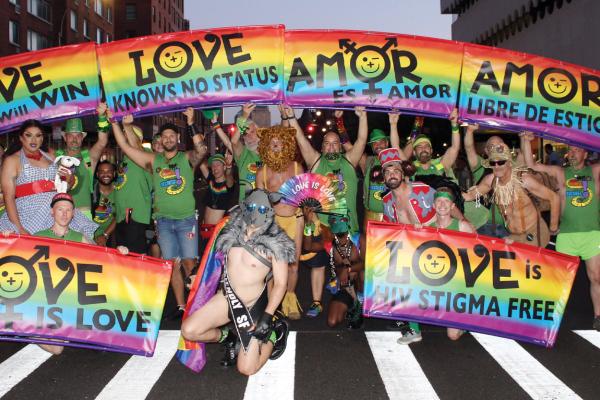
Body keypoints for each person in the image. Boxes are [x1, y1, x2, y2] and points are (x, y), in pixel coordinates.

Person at [181, 189, 294, 375]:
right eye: (251, 207)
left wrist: (267, 316)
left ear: (269, 211)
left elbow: (281, 284)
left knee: (246, 368)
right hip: (226, 299)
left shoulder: (277, 242)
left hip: (253, 307)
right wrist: (196, 276)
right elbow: (212, 263)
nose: (255, 211)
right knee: (189, 330)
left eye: (261, 208)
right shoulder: (229, 233)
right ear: (243, 207)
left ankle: (275, 333)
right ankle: (228, 337)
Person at [110, 113, 208, 319]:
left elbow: (202, 150)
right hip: (163, 221)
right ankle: (182, 307)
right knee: (172, 264)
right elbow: (127, 147)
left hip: (186, 220)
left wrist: (191, 123)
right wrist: (115, 123)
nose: (169, 139)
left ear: (178, 139)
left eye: (172, 135)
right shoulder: (154, 161)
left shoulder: (186, 159)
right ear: (160, 141)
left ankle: (197, 305)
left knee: (190, 263)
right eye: (165, 136)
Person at [7, 192, 127, 355]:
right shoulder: (38, 237)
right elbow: (16, 259)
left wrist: (119, 252)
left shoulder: (80, 238)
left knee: (61, 346)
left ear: (73, 213)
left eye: (68, 210)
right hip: (43, 299)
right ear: (52, 212)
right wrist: (7, 238)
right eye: (60, 209)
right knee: (57, 348)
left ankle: (27, 329)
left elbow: (103, 257)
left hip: (69, 299)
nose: (64, 214)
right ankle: (24, 326)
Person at [521, 133, 600, 330]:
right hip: (566, 234)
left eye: (576, 150)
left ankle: (598, 315)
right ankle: (552, 318)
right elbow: (532, 166)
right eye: (570, 150)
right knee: (559, 280)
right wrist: (526, 140)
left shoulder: (595, 171)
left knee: (596, 277)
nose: (572, 154)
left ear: (585, 153)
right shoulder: (560, 172)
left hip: (592, 233)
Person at [0, 120, 97, 239]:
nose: (34, 140)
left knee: (75, 247)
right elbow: (8, 198)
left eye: (38, 135)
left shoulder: (51, 156)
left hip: (55, 212)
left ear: (42, 138)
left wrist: (70, 179)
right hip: (29, 216)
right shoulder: (12, 161)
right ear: (21, 137)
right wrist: (20, 228)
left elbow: (66, 185)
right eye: (28, 135)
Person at [283, 104, 368, 236]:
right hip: (322, 233)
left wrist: (363, 117)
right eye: (327, 144)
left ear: (340, 147)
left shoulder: (350, 160)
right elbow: (300, 139)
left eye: (335, 144)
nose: (331, 147)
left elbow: (362, 140)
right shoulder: (315, 161)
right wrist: (291, 116)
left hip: (349, 230)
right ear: (322, 148)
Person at [379, 147, 432, 343]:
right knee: (399, 277)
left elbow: (447, 207)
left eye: (395, 171)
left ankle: (464, 322)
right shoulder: (386, 201)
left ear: (403, 173)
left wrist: (464, 223)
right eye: (387, 172)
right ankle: (413, 328)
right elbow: (387, 230)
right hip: (408, 252)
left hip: (433, 248)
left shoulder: (423, 190)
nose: (392, 175)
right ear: (384, 177)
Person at [462, 143, 560, 248]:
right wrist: (447, 189)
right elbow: (469, 196)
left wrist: (553, 228)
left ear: (509, 163)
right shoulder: (491, 180)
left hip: (534, 234)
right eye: (493, 163)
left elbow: (554, 198)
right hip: (513, 236)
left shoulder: (524, 180)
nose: (496, 166)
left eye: (500, 162)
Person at [256, 122, 305, 320]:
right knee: (269, 267)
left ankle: (290, 301)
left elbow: (305, 196)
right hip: (272, 223)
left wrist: (312, 218)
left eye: (279, 143)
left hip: (295, 219)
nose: (276, 146)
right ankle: (272, 306)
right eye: (272, 143)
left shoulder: (297, 167)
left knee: (293, 265)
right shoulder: (262, 173)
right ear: (266, 146)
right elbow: (258, 203)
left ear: (286, 145)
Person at [429, 187, 475, 341]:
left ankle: (468, 321)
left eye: (446, 201)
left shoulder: (462, 226)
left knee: (453, 335)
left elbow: (482, 252)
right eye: (439, 201)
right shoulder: (427, 229)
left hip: (457, 286)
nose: (442, 204)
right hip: (434, 284)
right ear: (433, 205)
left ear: (452, 206)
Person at [53, 103, 109, 217]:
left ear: (82, 138)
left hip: (83, 212)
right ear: (65, 137)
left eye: (77, 136)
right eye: (70, 136)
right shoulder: (55, 157)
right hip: (59, 212)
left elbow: (102, 141)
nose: (74, 140)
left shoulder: (89, 157)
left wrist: (102, 117)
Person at [113, 115, 154, 255]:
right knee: (122, 256)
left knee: (134, 256)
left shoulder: (146, 154)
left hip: (136, 215)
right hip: (121, 216)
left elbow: (136, 146)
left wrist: (126, 126)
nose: (123, 138)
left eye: (127, 135)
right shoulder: (124, 160)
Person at [212, 103, 262, 202]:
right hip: (246, 208)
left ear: (259, 132)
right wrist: (244, 116)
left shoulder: (270, 154)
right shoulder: (243, 154)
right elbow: (232, 142)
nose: (249, 137)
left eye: (252, 132)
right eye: (245, 134)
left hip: (267, 208)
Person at [405, 108, 460, 180]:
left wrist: (454, 124)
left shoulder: (440, 165)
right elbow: (399, 155)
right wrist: (393, 124)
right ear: (414, 152)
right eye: (419, 147)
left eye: (426, 146)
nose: (423, 149)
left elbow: (455, 148)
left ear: (431, 150)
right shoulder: (410, 169)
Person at [198, 152, 235, 250]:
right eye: (213, 165)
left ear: (224, 167)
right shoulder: (211, 181)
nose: (215, 168)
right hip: (204, 230)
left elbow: (229, 176)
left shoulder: (229, 185)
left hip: (218, 233)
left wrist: (229, 166)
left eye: (218, 164)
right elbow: (201, 163)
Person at [300, 207, 331, 318]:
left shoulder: (324, 234)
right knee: (288, 266)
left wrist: (314, 222)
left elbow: (309, 247)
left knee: (319, 266)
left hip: (321, 225)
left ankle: (317, 302)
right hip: (295, 224)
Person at [92, 161, 116, 247]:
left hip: (110, 235)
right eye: (102, 172)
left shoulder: (119, 190)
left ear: (113, 173)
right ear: (97, 174)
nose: (105, 174)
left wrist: (105, 235)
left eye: (109, 171)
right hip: (88, 235)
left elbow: (120, 215)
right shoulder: (91, 190)